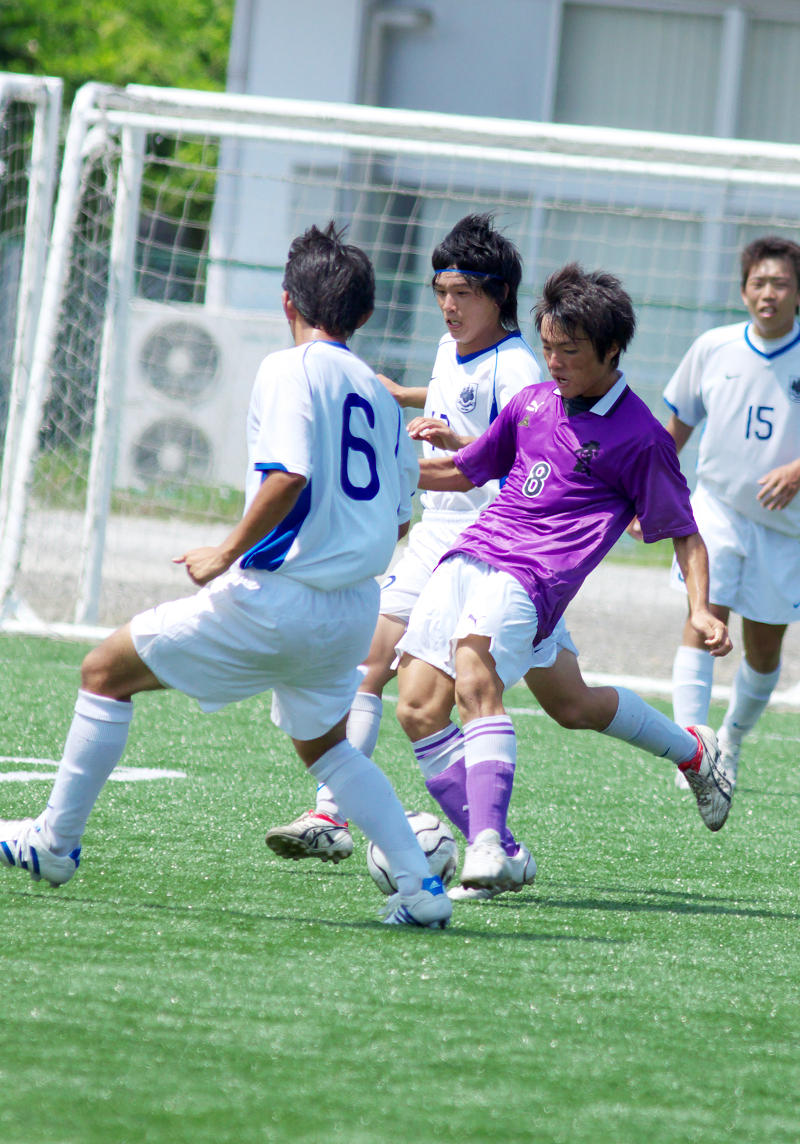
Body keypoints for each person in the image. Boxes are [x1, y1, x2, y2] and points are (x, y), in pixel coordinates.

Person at [0, 222, 452, 930]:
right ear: (364, 316)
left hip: (277, 597)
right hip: (351, 611)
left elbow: (288, 474)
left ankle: (54, 844)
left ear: (286, 303)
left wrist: (224, 552)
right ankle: (421, 891)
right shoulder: (381, 397)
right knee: (328, 749)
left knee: (102, 672)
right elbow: (399, 518)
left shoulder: (289, 367)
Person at [394, 262, 733, 898]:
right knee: (427, 707)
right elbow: (465, 471)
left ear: (610, 351)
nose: (552, 360)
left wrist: (703, 611)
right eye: (547, 346)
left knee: (475, 679)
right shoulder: (531, 404)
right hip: (472, 557)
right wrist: (389, 473)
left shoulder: (641, 438)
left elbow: (685, 532)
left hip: (533, 582)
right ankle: (693, 753)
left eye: (568, 351)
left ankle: (489, 850)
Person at [265, 213, 542, 867]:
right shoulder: (454, 346)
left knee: (572, 703)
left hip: (487, 542)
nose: (448, 305)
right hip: (434, 531)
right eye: (441, 290)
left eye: (463, 293)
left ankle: (691, 749)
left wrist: (442, 448)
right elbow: (455, 392)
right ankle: (330, 812)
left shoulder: (521, 366)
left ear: (497, 295)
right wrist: (406, 393)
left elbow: (526, 458)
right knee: (369, 666)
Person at [660, 236, 800, 793]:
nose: (769, 293)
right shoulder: (713, 347)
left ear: (797, 294)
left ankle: (732, 739)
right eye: (759, 283)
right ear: (744, 292)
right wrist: (648, 496)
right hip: (715, 510)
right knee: (702, 618)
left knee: (764, 652)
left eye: (781, 283)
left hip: (785, 533)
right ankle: (695, 750)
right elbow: (673, 432)